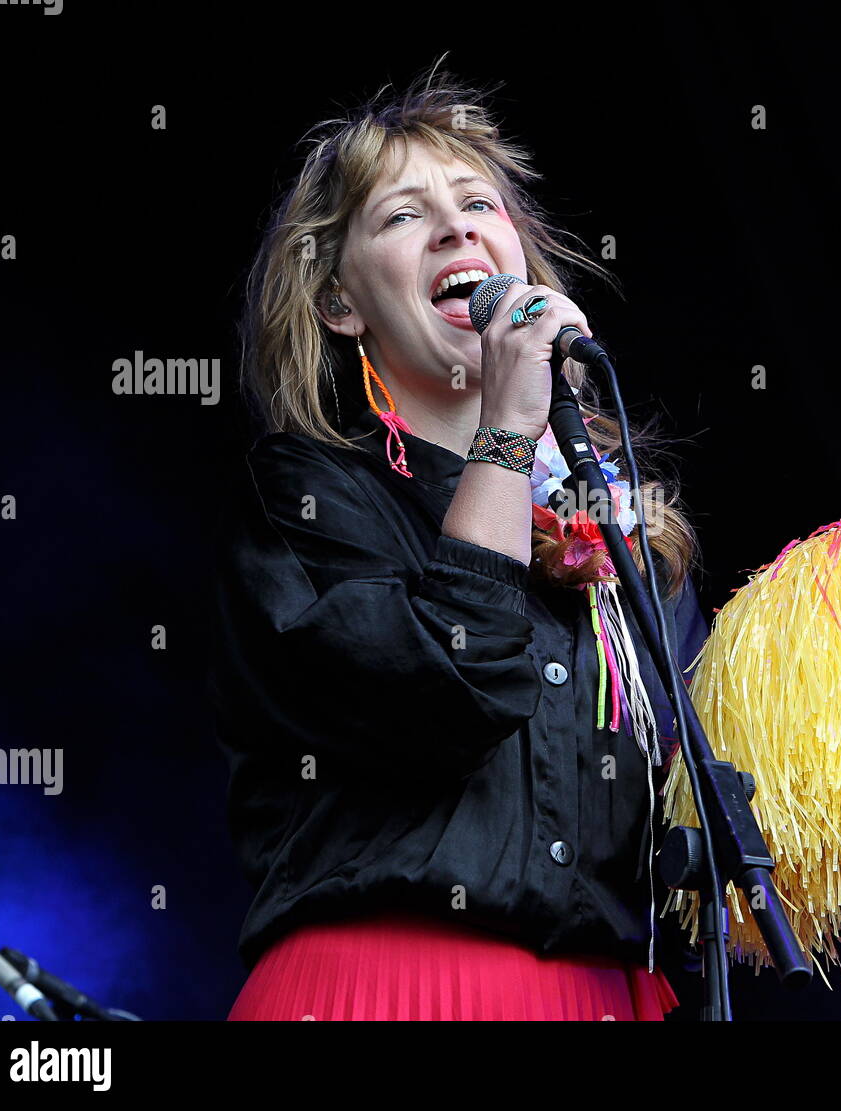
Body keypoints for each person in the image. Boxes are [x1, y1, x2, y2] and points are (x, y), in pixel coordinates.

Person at [212, 63, 709, 1021]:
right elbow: (444, 690)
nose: (455, 227)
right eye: (402, 215)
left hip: (607, 996)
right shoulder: (306, 501)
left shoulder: (626, 540)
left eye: (479, 202)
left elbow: (689, 826)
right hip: (386, 990)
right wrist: (506, 436)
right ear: (341, 305)